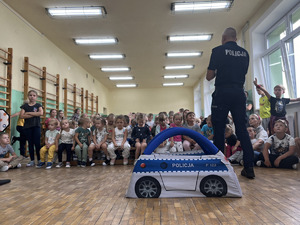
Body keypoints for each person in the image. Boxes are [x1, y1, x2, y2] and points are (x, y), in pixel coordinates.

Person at [206, 27, 255, 178]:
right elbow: (243, 73)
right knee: (242, 129)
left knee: (219, 129)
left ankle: (220, 167)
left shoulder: (218, 50)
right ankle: (249, 169)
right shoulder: (245, 53)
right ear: (235, 38)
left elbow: (209, 76)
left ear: (224, 38)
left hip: (222, 92)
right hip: (239, 93)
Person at [20, 90, 43, 167]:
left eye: (34, 95)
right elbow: (21, 116)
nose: (32, 97)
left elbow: (40, 113)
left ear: (36, 97)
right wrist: (34, 114)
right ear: (28, 96)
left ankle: (39, 159)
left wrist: (28, 113)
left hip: (36, 127)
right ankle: (32, 160)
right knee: (30, 144)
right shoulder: (25, 106)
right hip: (27, 127)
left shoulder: (38, 105)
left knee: (37, 143)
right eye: (30, 95)